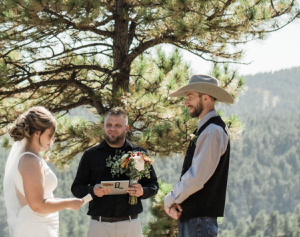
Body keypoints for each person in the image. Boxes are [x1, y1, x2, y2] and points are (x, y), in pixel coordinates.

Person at [164, 74, 234, 237]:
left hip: (199, 223)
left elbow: (196, 177)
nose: (186, 102)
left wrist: (170, 199)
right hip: (197, 222)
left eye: (190, 97)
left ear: (206, 98)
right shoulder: (208, 129)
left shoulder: (211, 131)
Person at [71, 108, 159, 237]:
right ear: (103, 127)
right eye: (109, 125)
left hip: (131, 225)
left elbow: (153, 185)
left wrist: (142, 191)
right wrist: (93, 191)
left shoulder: (139, 154)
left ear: (126, 128)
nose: (112, 128)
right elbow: (77, 188)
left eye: (118, 125)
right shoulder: (90, 155)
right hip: (99, 226)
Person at [3, 107, 84, 237]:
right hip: (36, 228)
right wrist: (67, 203)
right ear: (37, 133)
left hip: (38, 225)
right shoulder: (30, 161)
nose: (53, 140)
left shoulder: (29, 158)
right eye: (50, 135)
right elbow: (37, 205)